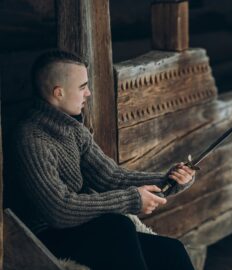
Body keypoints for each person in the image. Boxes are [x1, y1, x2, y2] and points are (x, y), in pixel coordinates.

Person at [13, 50, 196, 270]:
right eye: (82, 87)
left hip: (81, 230)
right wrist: (131, 200)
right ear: (58, 93)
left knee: (171, 251)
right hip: (43, 238)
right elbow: (58, 209)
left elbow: (111, 177)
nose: (88, 93)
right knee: (116, 226)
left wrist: (170, 180)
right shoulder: (30, 138)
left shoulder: (73, 130)